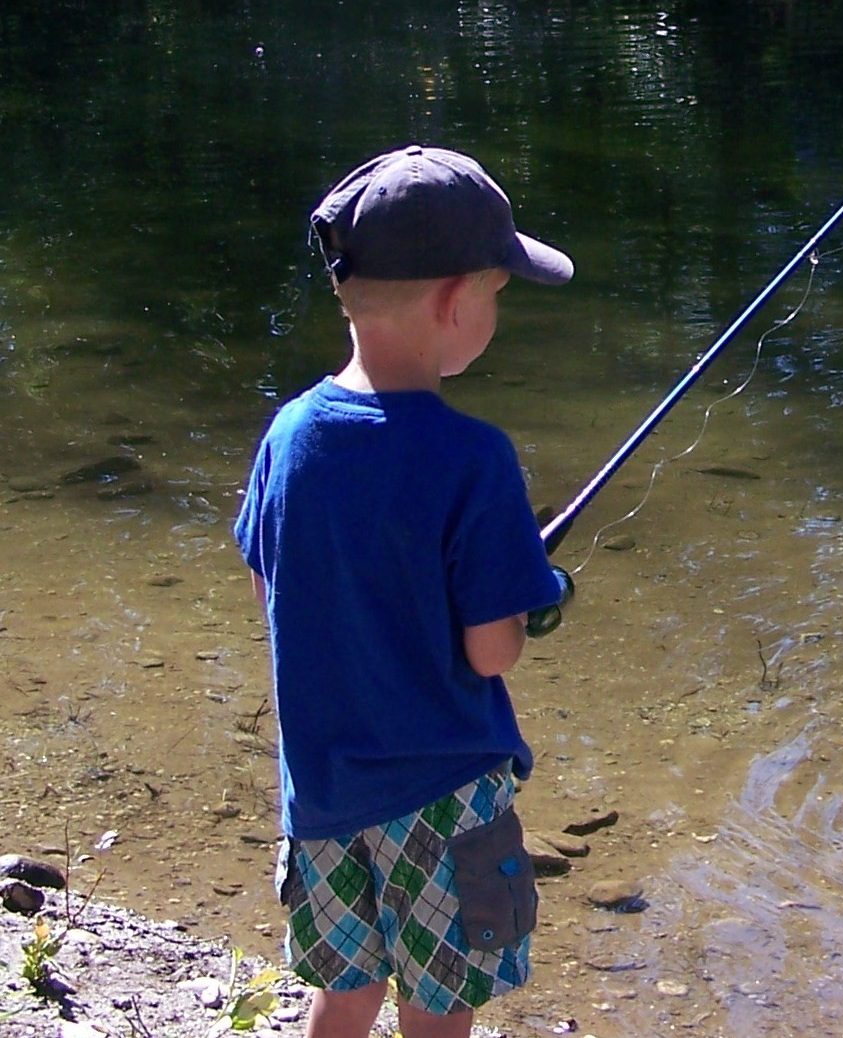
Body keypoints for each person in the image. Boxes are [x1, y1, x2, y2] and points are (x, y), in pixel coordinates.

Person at [233, 144, 574, 1038]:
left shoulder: (289, 435)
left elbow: (277, 587)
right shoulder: (475, 459)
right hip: (447, 795)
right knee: (438, 1004)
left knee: (344, 994)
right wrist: (534, 595)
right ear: (456, 302)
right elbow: (491, 649)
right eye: (499, 294)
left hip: (322, 797)